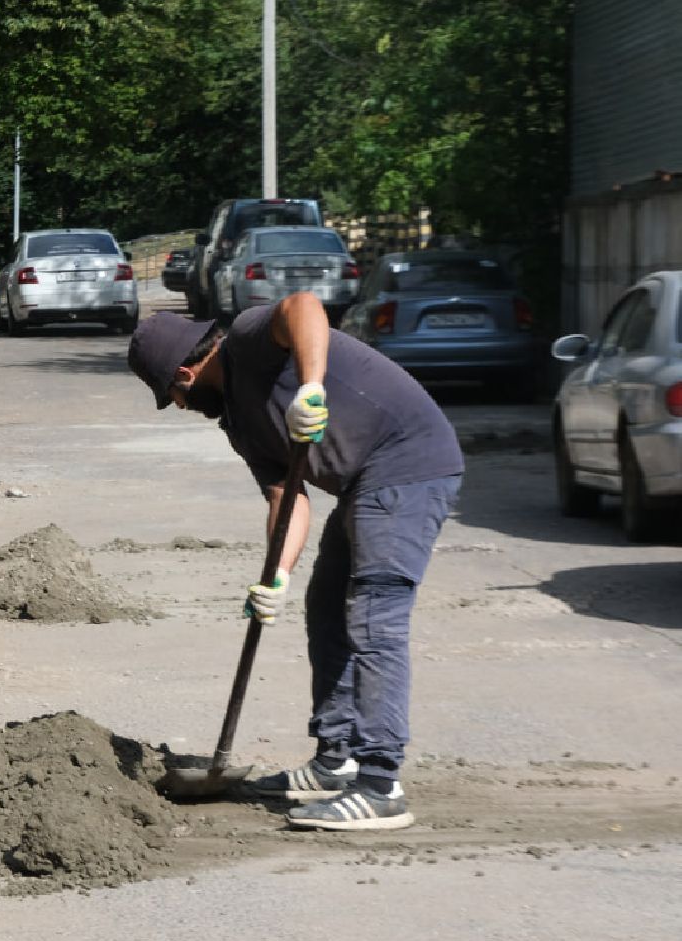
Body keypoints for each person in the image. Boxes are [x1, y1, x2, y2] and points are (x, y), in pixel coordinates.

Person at [127, 292, 463, 831]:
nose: (183, 407)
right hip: (363, 482)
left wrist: (310, 386)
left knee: (374, 615)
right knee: (325, 606)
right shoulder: (238, 421)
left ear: (185, 374)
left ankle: (380, 784)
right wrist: (276, 577)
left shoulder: (249, 337)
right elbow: (287, 498)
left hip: (408, 461)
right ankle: (337, 759)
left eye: (174, 396)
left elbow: (304, 305)